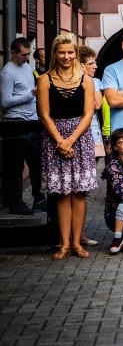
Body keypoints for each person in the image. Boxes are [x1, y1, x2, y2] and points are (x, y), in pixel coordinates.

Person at [37, 33, 98, 259]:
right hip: (54, 138)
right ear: (55, 53)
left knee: (79, 193)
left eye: (70, 52)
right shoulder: (45, 80)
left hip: (80, 138)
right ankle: (63, 244)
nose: (66, 56)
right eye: (61, 52)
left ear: (75, 53)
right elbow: (44, 114)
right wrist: (60, 141)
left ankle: (76, 243)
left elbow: (89, 113)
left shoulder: (86, 80)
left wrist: (71, 140)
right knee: (62, 194)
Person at [1, 37, 44, 214]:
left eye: (28, 54)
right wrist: (29, 94)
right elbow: (5, 101)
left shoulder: (27, 67)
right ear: (13, 53)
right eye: (23, 55)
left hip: (32, 121)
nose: (27, 58)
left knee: (36, 163)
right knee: (15, 166)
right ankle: (15, 202)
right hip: (16, 122)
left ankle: (39, 199)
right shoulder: (7, 73)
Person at [78, 46, 105, 160]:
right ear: (80, 65)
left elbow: (97, 104)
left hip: (93, 135)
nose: (95, 66)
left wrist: (85, 78)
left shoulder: (96, 82)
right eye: (91, 63)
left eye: (95, 63)